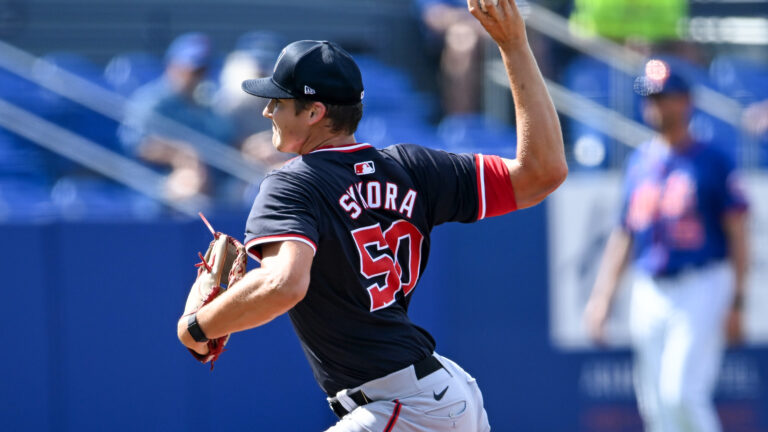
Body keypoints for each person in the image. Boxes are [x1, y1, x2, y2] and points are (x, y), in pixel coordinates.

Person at [177, 1, 567, 430]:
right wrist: (513, 47)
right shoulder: (413, 168)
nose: (268, 110)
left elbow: (282, 283)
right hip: (437, 396)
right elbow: (541, 174)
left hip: (400, 405)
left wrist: (197, 327)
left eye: (279, 100)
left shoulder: (292, 183)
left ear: (314, 112)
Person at [584, 60, 749, 432]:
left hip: (702, 280)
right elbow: (625, 234)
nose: (657, 105)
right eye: (651, 97)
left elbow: (738, 231)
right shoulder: (640, 161)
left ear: (686, 102)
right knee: (656, 404)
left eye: (665, 97)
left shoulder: (712, 159)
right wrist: (602, 297)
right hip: (650, 286)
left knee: (682, 393)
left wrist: (737, 300)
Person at [119, 32, 234, 201]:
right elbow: (138, 145)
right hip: (155, 177)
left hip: (213, 178)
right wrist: (178, 154)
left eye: (203, 70)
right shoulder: (151, 101)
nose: (198, 76)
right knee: (189, 185)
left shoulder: (207, 101)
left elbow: (226, 138)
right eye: (193, 69)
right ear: (173, 65)